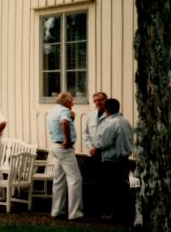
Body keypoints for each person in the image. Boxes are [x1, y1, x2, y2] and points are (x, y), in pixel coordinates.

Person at [93, 98, 133, 220]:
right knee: (121, 186)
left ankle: (110, 214)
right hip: (124, 159)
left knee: (109, 189)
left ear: (106, 109)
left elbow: (104, 142)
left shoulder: (111, 123)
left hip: (111, 160)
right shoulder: (125, 121)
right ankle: (122, 213)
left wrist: (95, 144)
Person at [47, 92, 84, 220]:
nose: (73, 103)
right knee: (75, 179)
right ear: (67, 101)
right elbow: (64, 123)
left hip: (54, 147)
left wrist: (71, 118)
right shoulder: (64, 111)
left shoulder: (53, 110)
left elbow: (63, 122)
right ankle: (75, 213)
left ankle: (56, 211)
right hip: (64, 148)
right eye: (72, 101)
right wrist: (67, 140)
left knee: (59, 179)